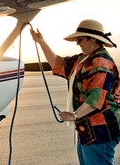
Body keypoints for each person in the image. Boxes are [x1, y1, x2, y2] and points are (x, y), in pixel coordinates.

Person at [31, 19, 120, 165]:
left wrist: (74, 115)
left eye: (80, 39)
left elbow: (95, 99)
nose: (77, 43)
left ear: (93, 39)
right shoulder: (84, 59)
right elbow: (58, 64)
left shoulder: (101, 63)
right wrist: (41, 42)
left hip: (101, 132)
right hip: (89, 131)